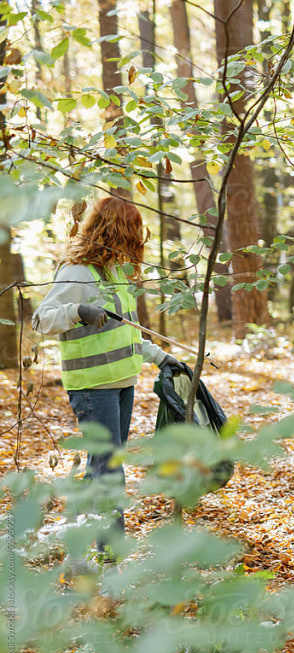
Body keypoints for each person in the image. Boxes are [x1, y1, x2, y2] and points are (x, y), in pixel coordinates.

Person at [32, 196, 184, 554]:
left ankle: (76, 539)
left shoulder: (117, 274)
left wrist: (161, 357)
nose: (138, 238)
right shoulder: (77, 272)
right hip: (92, 388)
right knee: (110, 470)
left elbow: (127, 332)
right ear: (116, 230)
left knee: (100, 467)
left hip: (121, 383)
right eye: (133, 230)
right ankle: (110, 552)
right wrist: (77, 310)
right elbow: (41, 319)